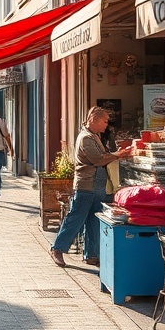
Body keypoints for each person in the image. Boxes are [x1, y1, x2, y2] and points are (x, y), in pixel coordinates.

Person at [49, 107, 131, 268]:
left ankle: (92, 254)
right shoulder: (86, 138)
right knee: (76, 218)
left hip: (99, 186)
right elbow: (98, 159)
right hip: (86, 185)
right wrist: (119, 154)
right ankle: (57, 248)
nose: (107, 125)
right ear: (94, 119)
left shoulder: (95, 136)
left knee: (94, 220)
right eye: (105, 121)